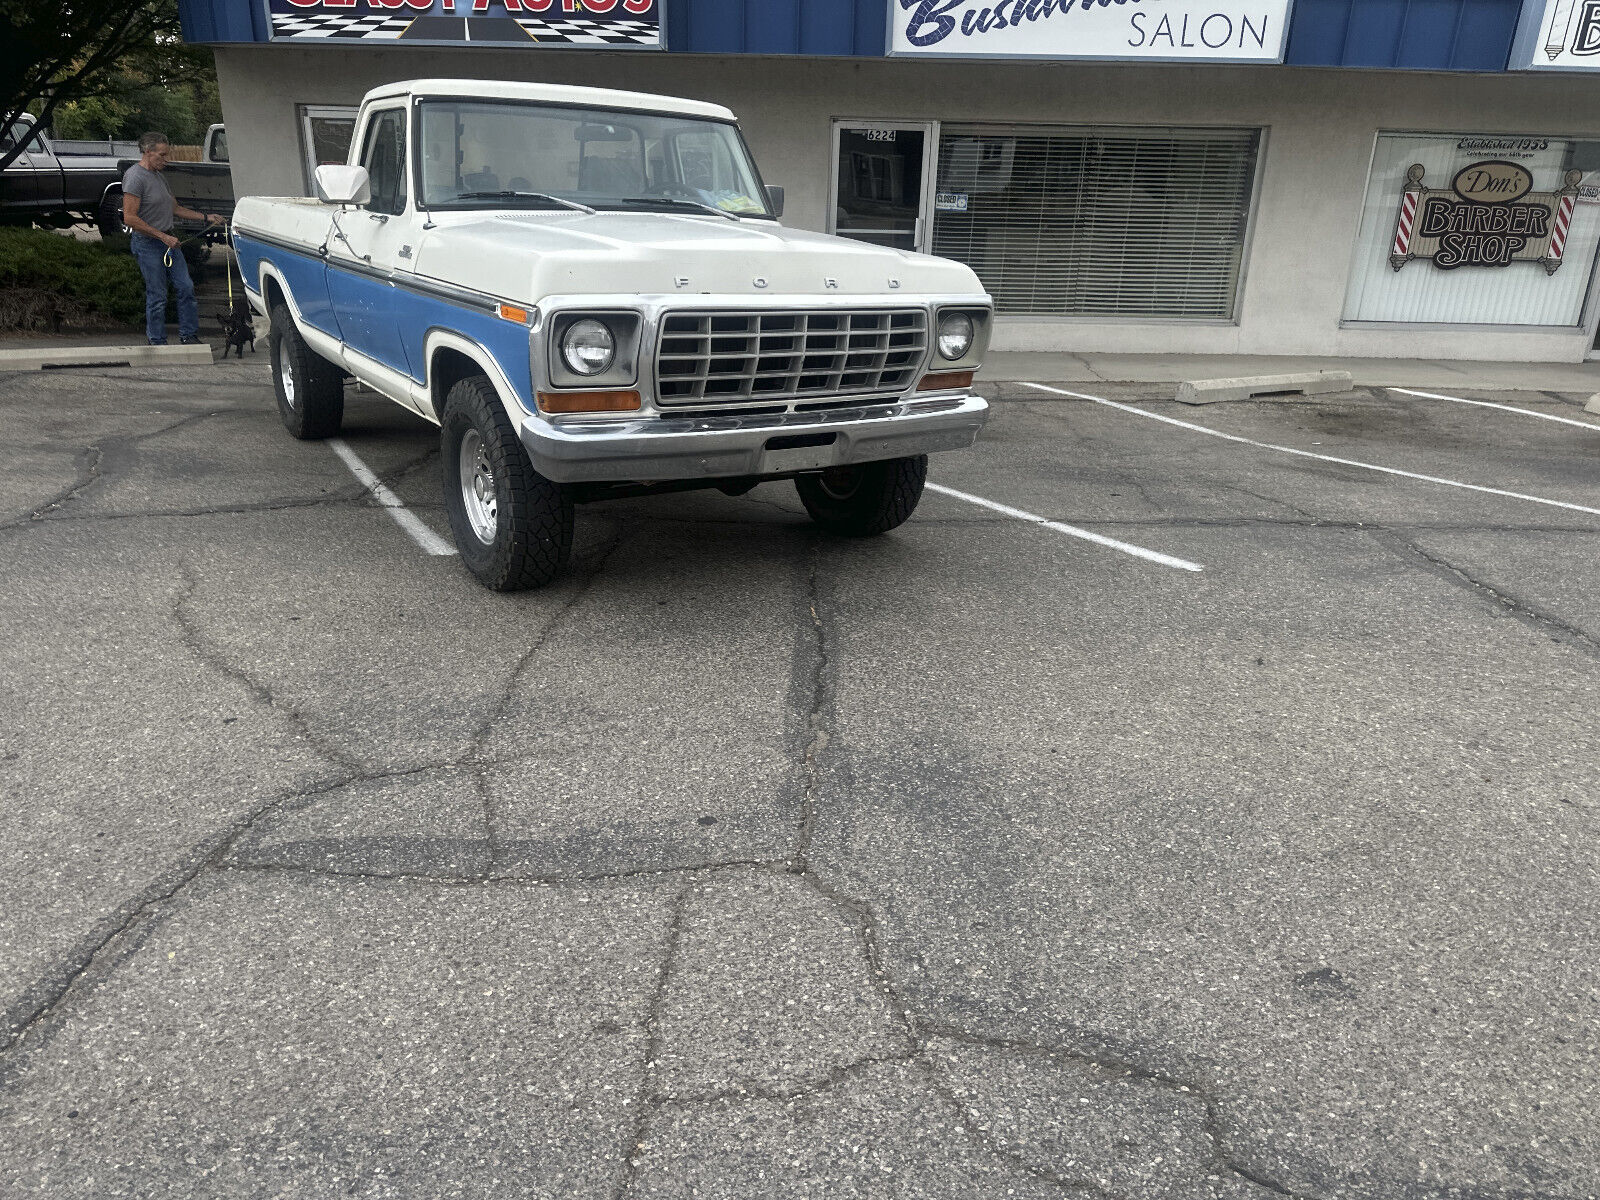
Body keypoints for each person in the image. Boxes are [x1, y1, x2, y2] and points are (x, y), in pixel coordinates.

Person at [121, 132, 224, 346]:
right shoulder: (134, 177)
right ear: (148, 152)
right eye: (162, 155)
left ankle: (189, 335)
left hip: (169, 242)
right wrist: (162, 236)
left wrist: (206, 217)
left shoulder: (160, 177)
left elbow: (175, 208)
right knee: (157, 293)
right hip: (148, 243)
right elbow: (129, 218)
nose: (165, 159)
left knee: (185, 287)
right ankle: (157, 340)